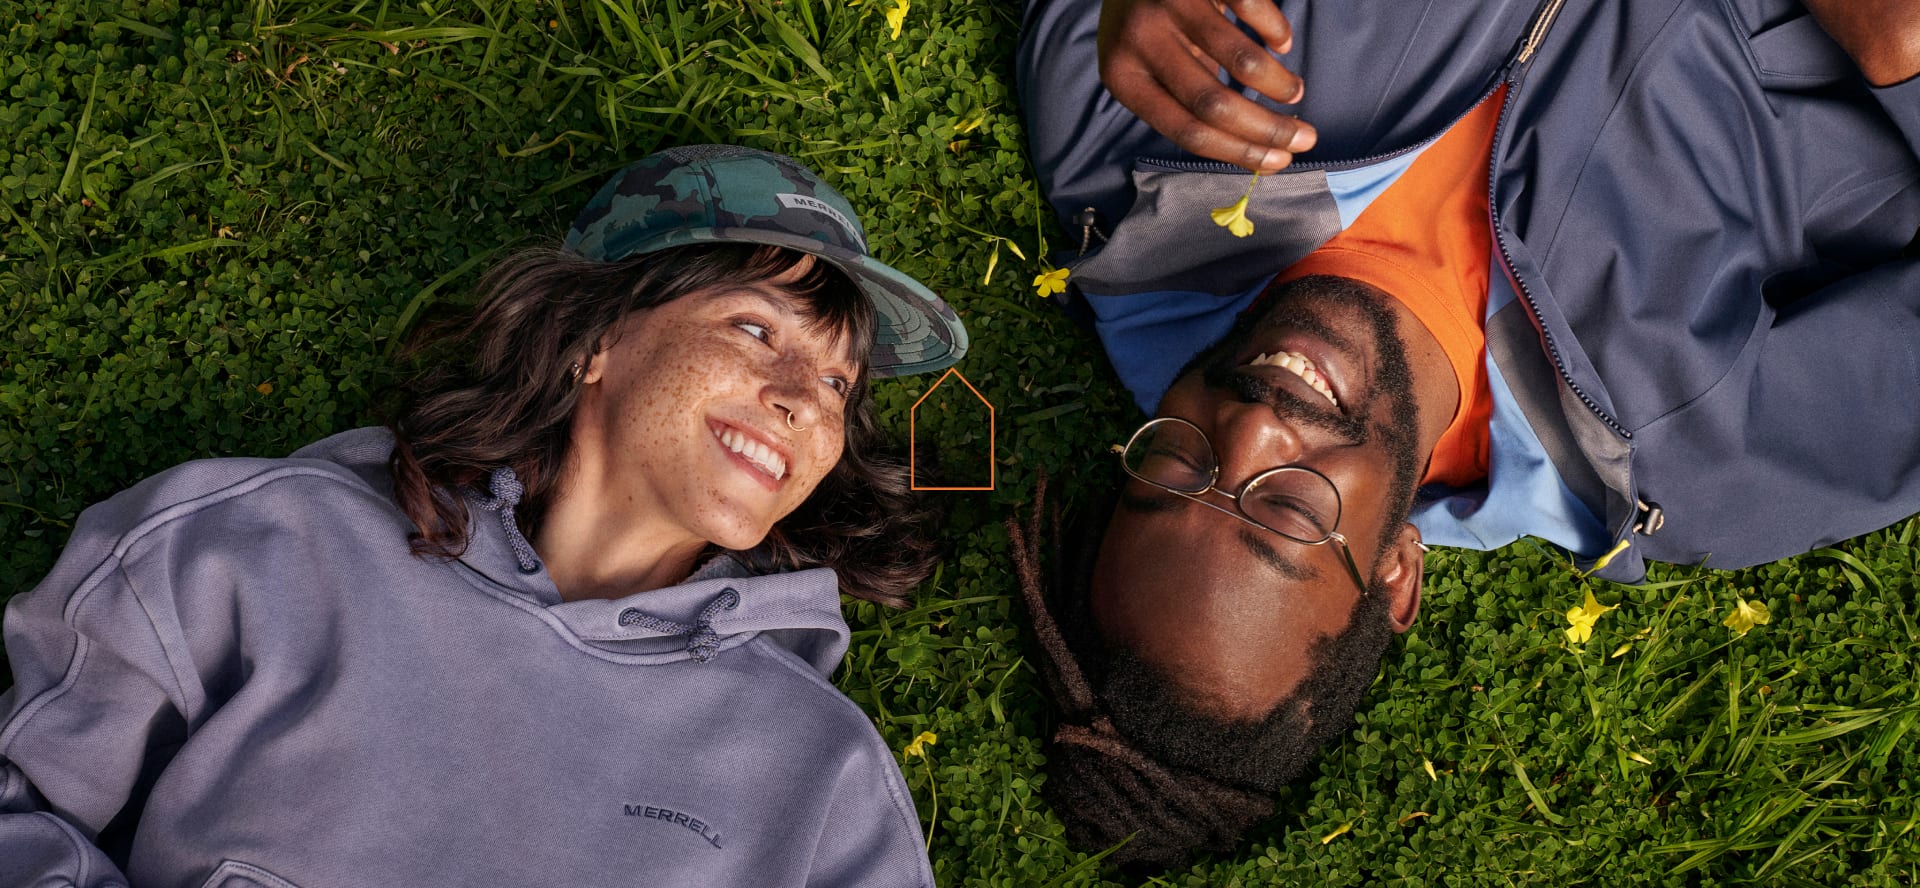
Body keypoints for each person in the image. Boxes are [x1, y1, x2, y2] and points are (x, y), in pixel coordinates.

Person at [1012, 0, 1920, 869]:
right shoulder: (1703, 460)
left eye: (1173, 467)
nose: (1249, 429)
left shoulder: (1129, 132)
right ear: (1397, 575)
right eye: (1285, 513)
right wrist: (1904, 61)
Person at [0, 145, 967, 887]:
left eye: (841, 382)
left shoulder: (821, 776)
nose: (805, 397)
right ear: (597, 340)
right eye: (755, 328)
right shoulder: (261, 554)